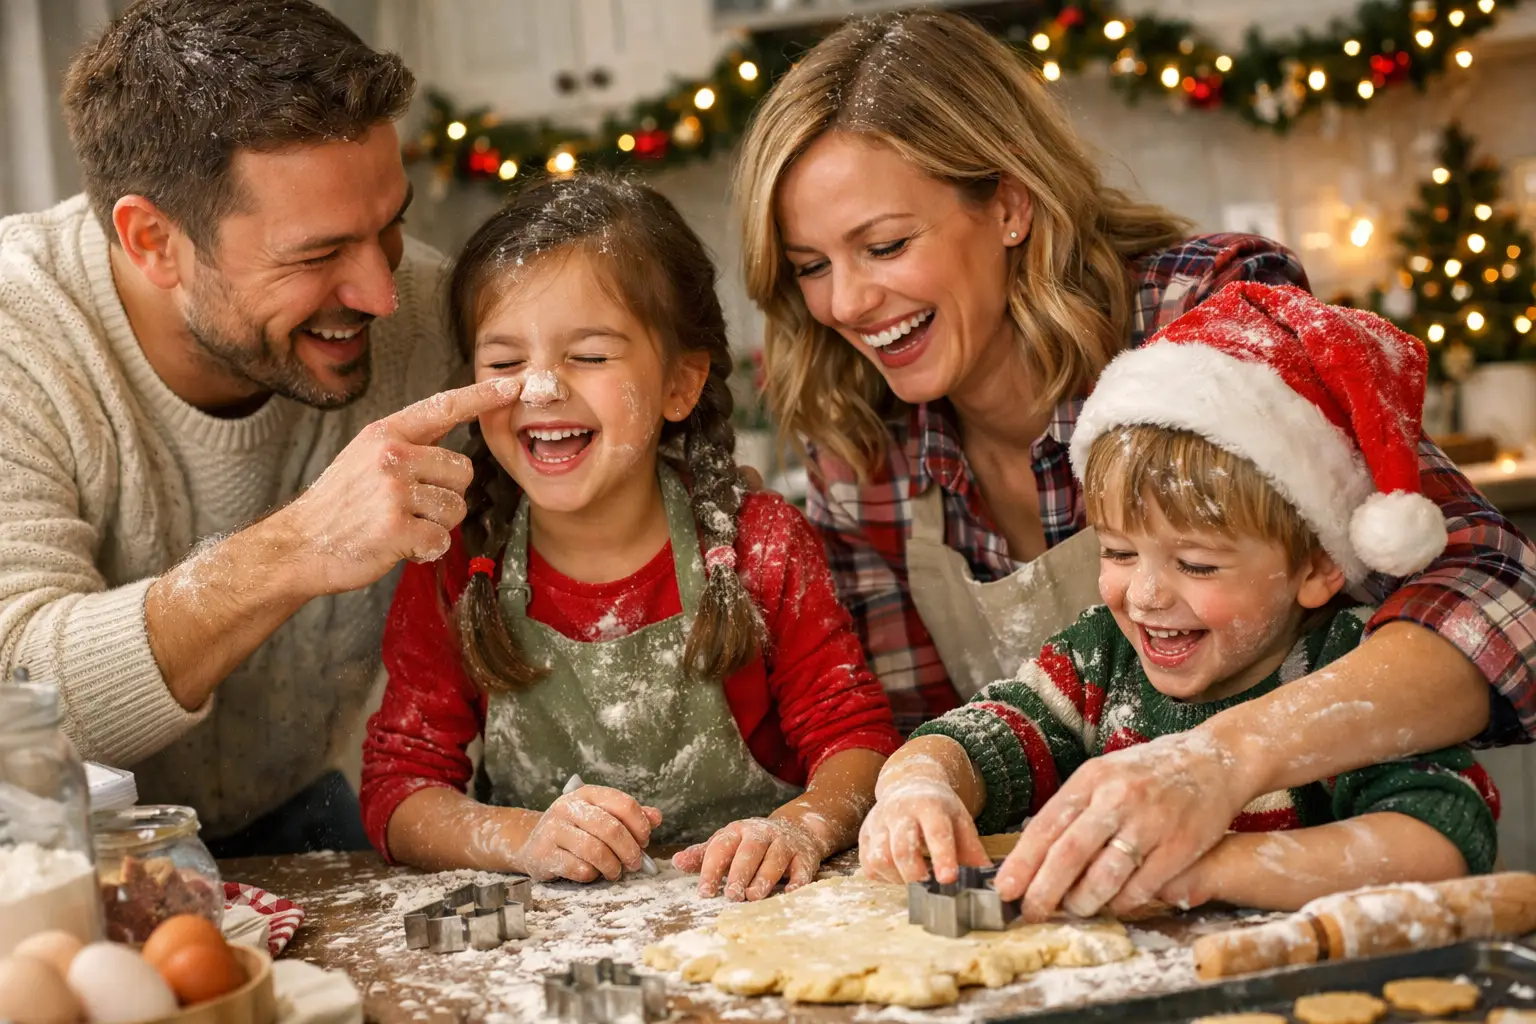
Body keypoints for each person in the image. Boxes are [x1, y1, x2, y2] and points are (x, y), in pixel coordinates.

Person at [733, 9, 1535, 918]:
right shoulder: (856, 435)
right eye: (809, 266)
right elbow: (939, 729)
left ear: (1008, 203)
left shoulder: (1199, 317)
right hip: (1092, 926)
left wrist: (1217, 760)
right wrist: (918, 788)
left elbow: (1497, 596)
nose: (845, 301)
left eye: (885, 246)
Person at [0, 0, 516, 856]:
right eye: (317, 256)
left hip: (311, 803)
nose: (383, 296)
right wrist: (301, 545)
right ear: (153, 240)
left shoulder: (430, 315)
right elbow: (18, 700)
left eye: (390, 225)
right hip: (58, 854)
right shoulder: (20, 331)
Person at [860, 282, 1501, 913]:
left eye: (1194, 564)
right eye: (1117, 552)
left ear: (1318, 567)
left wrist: (1205, 868)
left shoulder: (1345, 671)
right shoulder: (1099, 661)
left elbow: (1443, 838)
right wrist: (921, 786)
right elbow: (978, 738)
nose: (1142, 596)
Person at [359, 176, 902, 900]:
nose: (542, 389)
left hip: (748, 925)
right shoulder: (457, 562)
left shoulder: (759, 546)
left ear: (680, 383)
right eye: (505, 362)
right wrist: (522, 838)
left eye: (589, 355)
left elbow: (858, 743)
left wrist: (798, 825)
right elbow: (400, 790)